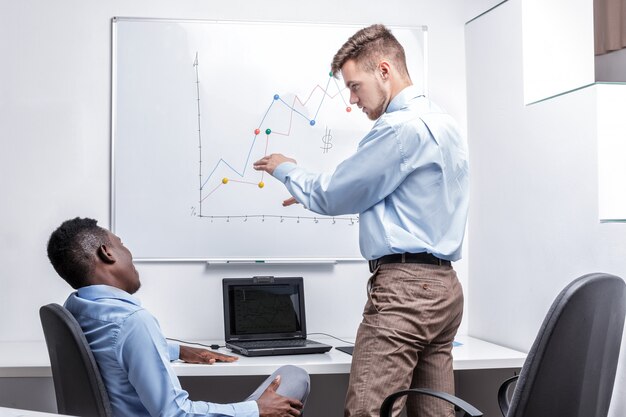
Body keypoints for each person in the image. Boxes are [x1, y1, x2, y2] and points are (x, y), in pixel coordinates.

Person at [253, 24, 469, 417]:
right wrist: (319, 190)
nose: (352, 100)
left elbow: (334, 194)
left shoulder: (399, 129)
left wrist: (287, 169)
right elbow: (398, 197)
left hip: (406, 292)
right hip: (445, 290)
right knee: (435, 414)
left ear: (384, 70)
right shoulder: (444, 123)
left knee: (369, 411)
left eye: (355, 86)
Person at [46, 217, 310, 417]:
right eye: (121, 245)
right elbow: (174, 414)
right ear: (107, 252)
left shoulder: (77, 307)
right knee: (294, 376)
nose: (130, 254)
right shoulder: (133, 322)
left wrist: (178, 349)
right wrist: (255, 410)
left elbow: (110, 348)